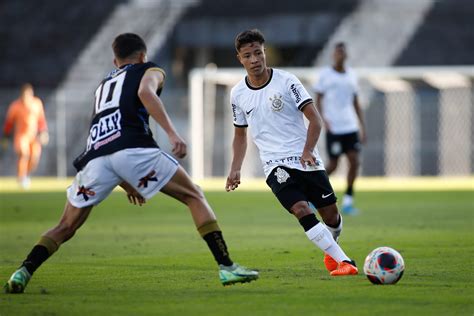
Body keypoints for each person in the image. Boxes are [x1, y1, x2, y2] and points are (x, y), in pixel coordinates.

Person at [4, 33, 258, 294]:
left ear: (116, 62)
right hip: (134, 149)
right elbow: (145, 92)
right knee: (194, 195)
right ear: (142, 56)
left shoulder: (102, 87)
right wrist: (172, 133)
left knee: (66, 226)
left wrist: (127, 184)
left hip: (95, 158)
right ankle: (226, 266)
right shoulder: (149, 69)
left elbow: (107, 138)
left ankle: (23, 271)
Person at [226, 29, 358, 276]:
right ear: (239, 59)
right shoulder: (238, 94)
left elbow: (315, 119)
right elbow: (240, 134)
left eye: (257, 53)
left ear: (264, 52)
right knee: (301, 210)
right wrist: (235, 168)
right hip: (275, 165)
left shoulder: (287, 81)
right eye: (247, 55)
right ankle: (346, 262)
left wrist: (308, 150)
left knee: (331, 217)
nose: (254, 59)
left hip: (306, 160)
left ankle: (333, 248)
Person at [313, 42, 366, 215]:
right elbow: (318, 98)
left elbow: (355, 102)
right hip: (334, 127)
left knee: (354, 161)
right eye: (337, 53)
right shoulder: (325, 75)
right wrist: (323, 120)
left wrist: (361, 126)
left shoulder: (352, 75)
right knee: (333, 165)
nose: (339, 55)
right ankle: (315, 195)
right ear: (333, 55)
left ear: (346, 55)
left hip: (350, 126)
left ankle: (349, 201)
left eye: (342, 52)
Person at [2, 83, 49, 189]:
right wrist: (5, 137)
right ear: (22, 95)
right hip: (21, 136)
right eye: (25, 95)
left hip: (34, 136)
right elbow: (9, 123)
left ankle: (25, 175)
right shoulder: (15, 106)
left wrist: (43, 132)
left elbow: (41, 120)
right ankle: (21, 177)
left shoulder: (37, 103)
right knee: (24, 154)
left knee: (34, 158)